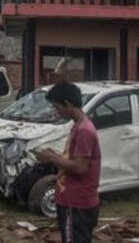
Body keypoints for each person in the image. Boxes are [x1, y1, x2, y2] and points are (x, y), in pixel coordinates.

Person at [35, 81, 101, 243]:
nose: (55, 111)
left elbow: (80, 167)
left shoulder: (84, 130)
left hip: (77, 203)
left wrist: (51, 158)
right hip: (70, 201)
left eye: (57, 107)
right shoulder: (77, 126)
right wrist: (54, 154)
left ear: (68, 104)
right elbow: (73, 158)